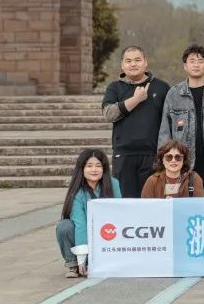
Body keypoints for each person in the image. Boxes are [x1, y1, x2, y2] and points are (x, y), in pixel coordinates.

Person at [158, 44, 204, 197]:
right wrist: (166, 157)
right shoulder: (174, 94)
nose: (196, 65)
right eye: (192, 61)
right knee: (182, 201)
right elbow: (165, 129)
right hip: (181, 161)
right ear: (185, 66)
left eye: (200, 61)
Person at [101, 45, 170, 198]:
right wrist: (135, 99)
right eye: (128, 61)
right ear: (122, 65)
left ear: (145, 62)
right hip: (124, 155)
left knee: (152, 200)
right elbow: (109, 114)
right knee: (126, 201)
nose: (133, 64)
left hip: (153, 155)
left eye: (137, 60)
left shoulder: (161, 87)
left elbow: (169, 121)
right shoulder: (115, 88)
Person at [56, 149, 120, 278]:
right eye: (89, 166)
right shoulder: (77, 191)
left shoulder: (113, 183)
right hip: (84, 233)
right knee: (64, 226)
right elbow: (80, 224)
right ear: (82, 169)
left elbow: (119, 213)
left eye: (98, 166)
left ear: (104, 168)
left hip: (107, 232)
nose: (94, 170)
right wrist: (81, 259)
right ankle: (74, 264)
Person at [140, 140, 204, 199]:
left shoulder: (194, 179)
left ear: (183, 160)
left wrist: (176, 204)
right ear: (162, 160)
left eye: (178, 157)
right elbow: (146, 206)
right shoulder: (152, 181)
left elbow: (200, 205)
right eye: (169, 157)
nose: (173, 160)